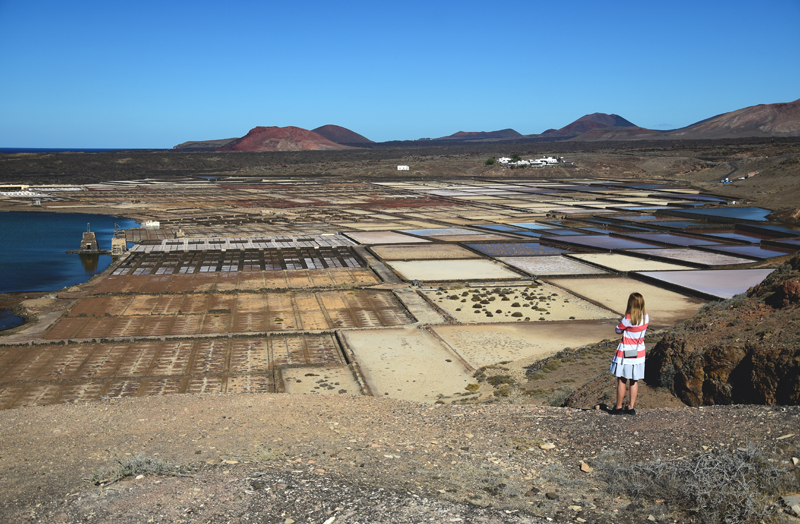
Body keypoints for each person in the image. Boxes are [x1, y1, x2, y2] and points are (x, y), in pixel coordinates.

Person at [609, 292, 648, 415]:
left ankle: (619, 407)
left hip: (626, 353)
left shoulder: (628, 319)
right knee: (634, 380)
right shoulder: (646, 317)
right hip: (639, 352)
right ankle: (631, 407)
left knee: (622, 380)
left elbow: (618, 330)